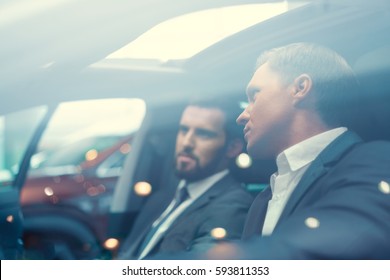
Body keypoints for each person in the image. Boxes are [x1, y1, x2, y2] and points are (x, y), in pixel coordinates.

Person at [203, 42, 390, 259]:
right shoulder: (263, 199)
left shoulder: (375, 162)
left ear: (300, 88)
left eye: (254, 96)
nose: (242, 116)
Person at [118, 98, 254, 259]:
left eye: (203, 134)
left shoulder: (233, 206)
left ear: (232, 148)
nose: (187, 142)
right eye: (183, 130)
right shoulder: (164, 195)